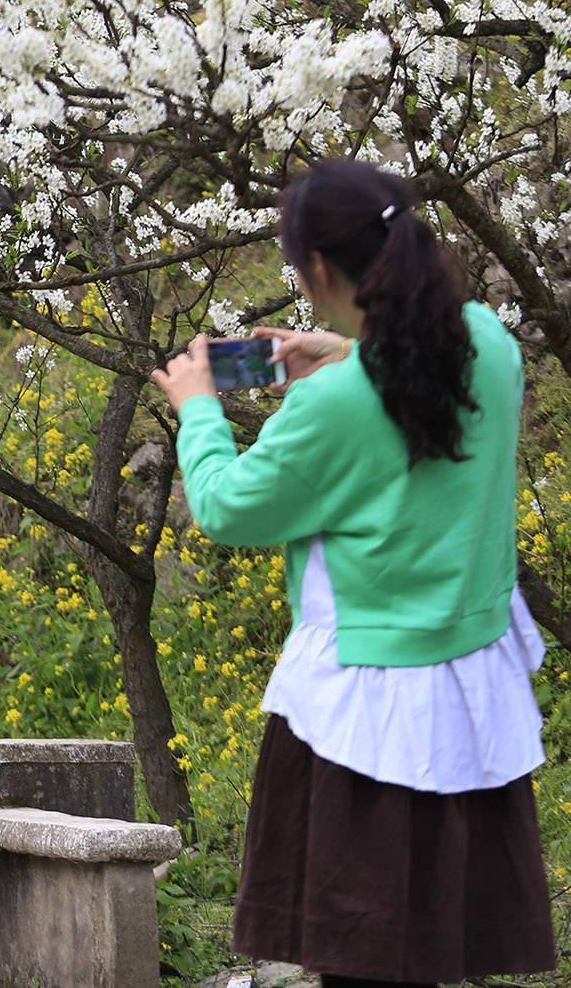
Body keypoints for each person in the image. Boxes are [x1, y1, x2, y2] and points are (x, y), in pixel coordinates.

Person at [154, 159, 554, 988]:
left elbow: (229, 507)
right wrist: (343, 350)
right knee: (437, 951)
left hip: (364, 714)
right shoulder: (490, 343)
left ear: (321, 271)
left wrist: (198, 408)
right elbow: (413, 362)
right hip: (474, 695)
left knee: (361, 960)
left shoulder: (333, 408)